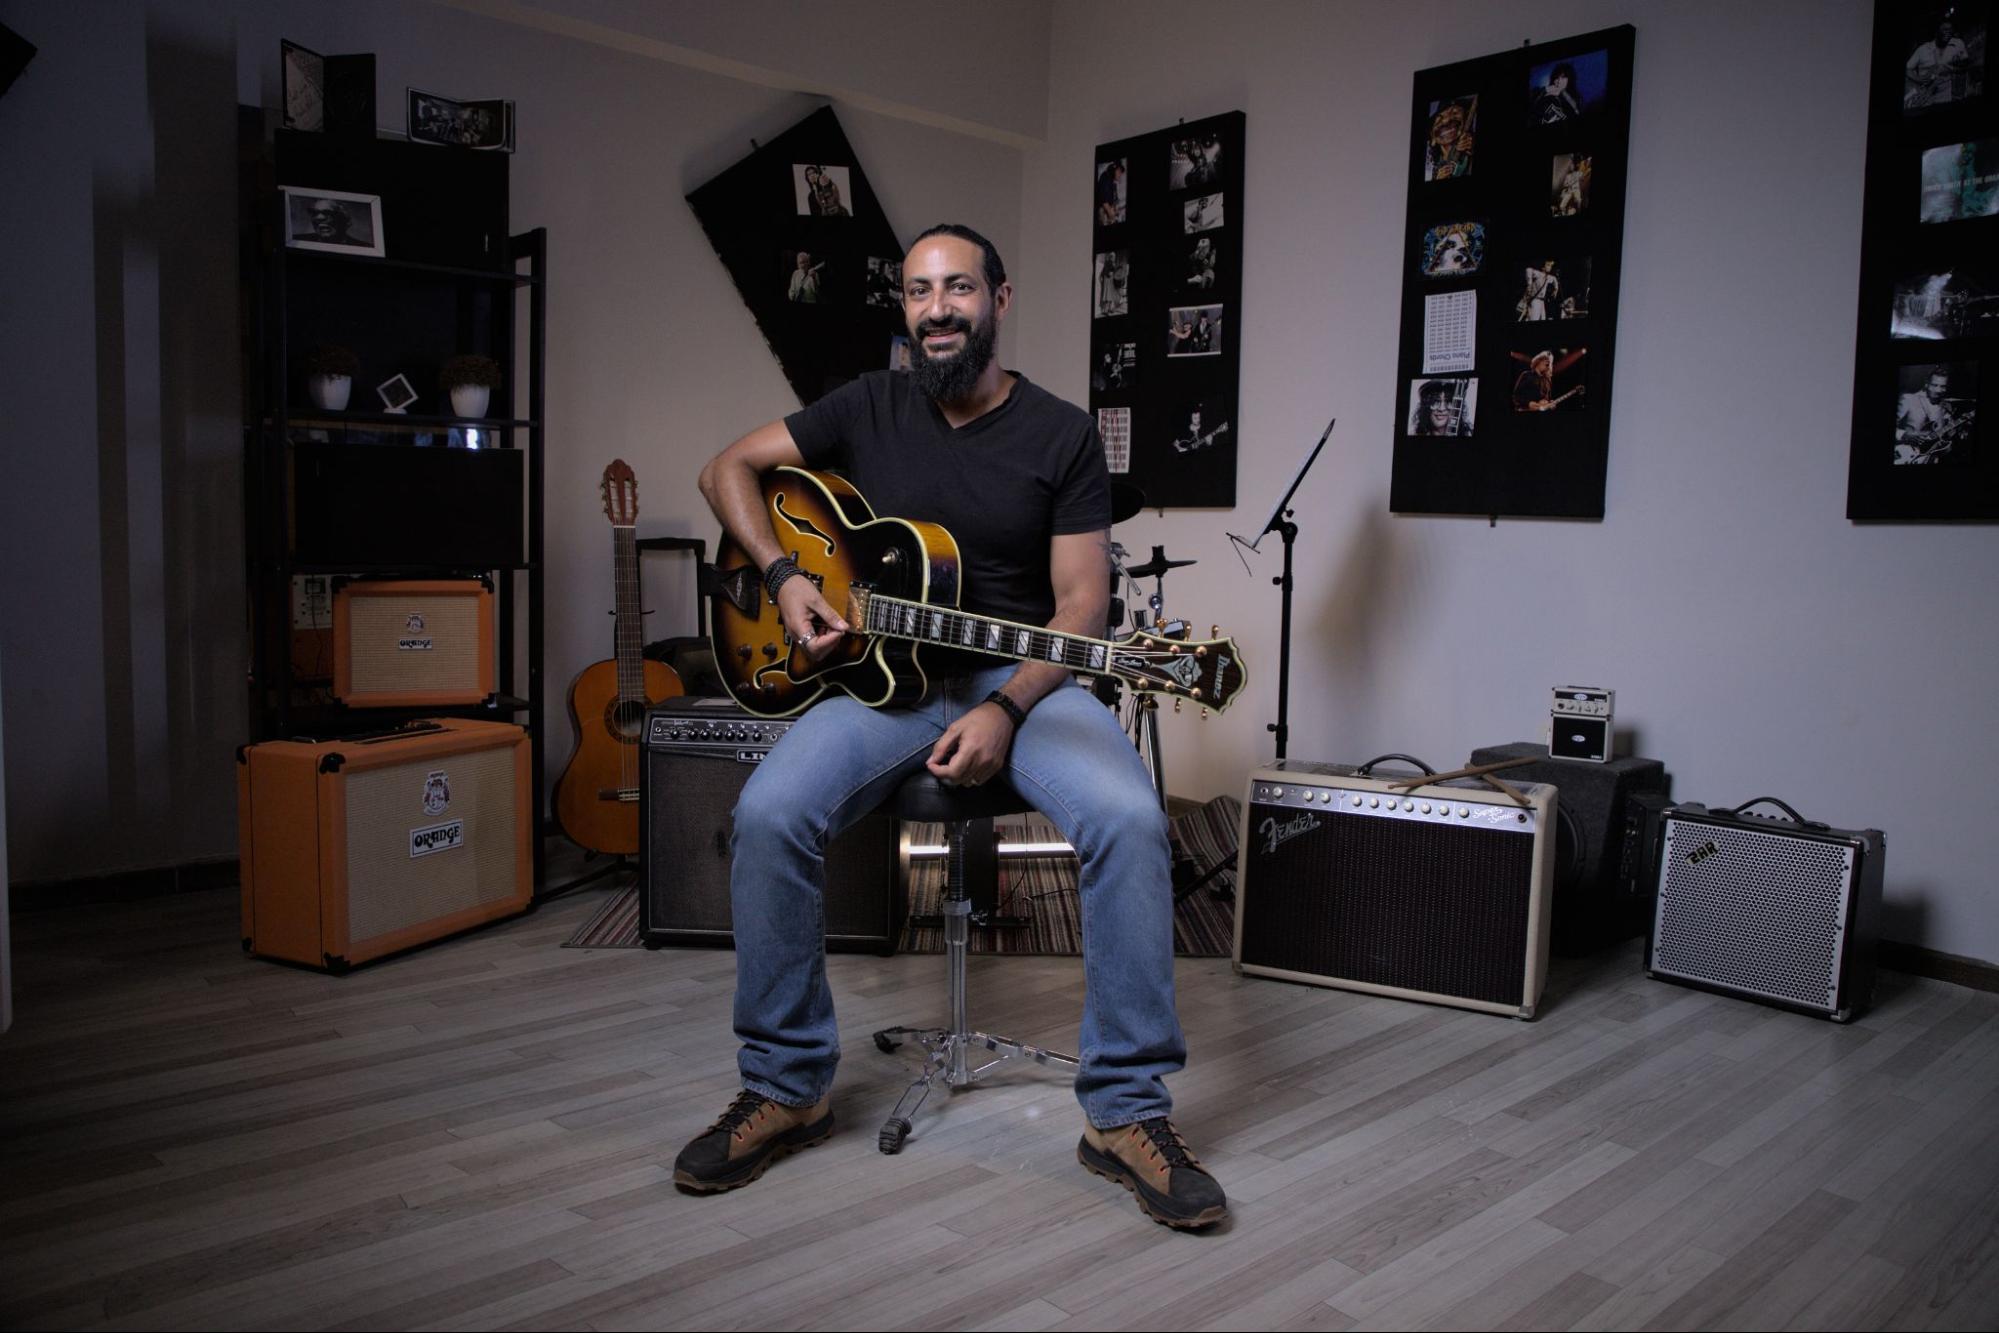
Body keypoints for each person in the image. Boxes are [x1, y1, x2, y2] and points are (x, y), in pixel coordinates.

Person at [682, 224, 1227, 1230]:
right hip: (879, 684)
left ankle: (1122, 1114)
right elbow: (726, 471)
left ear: (999, 299)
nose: (937, 309)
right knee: (767, 815)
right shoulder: (867, 403)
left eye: (958, 288)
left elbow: (1078, 610)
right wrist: (786, 574)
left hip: (1028, 680)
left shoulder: (1061, 435)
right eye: (919, 291)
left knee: (1132, 821)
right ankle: (788, 1085)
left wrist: (1005, 706)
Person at [1896, 368, 1962, 462]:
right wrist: (1905, 435)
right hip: (1904, 454)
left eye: (1943, 386)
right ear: (1926, 384)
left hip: (1930, 459)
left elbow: (1946, 437)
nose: (1939, 390)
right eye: (1935, 385)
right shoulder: (1909, 399)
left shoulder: (1947, 407)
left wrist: (1957, 430)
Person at [1906, 18, 1972, 109]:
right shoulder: (1923, 49)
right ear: (1936, 32)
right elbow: (1907, 68)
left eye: (1950, 29)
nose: (1948, 32)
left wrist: (1951, 69)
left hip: (1945, 98)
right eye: (1945, 29)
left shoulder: (1958, 44)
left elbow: (1966, 64)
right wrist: (1919, 79)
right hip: (1924, 97)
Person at [1425, 99, 1474, 179]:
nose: (1446, 120)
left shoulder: (1468, 154)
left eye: (1454, 113)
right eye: (1440, 117)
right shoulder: (1434, 168)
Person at [294, 198, 360, 245]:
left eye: (327, 213)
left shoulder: (361, 247)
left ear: (344, 219)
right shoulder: (296, 240)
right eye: (314, 213)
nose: (319, 217)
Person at [1096, 160, 1126, 226]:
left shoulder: (1111, 180)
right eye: (1119, 171)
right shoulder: (1106, 178)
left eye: (1121, 172)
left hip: (1107, 210)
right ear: (1114, 170)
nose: (1120, 174)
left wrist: (1115, 209)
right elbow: (1104, 201)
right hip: (1103, 212)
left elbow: (1112, 200)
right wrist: (1112, 214)